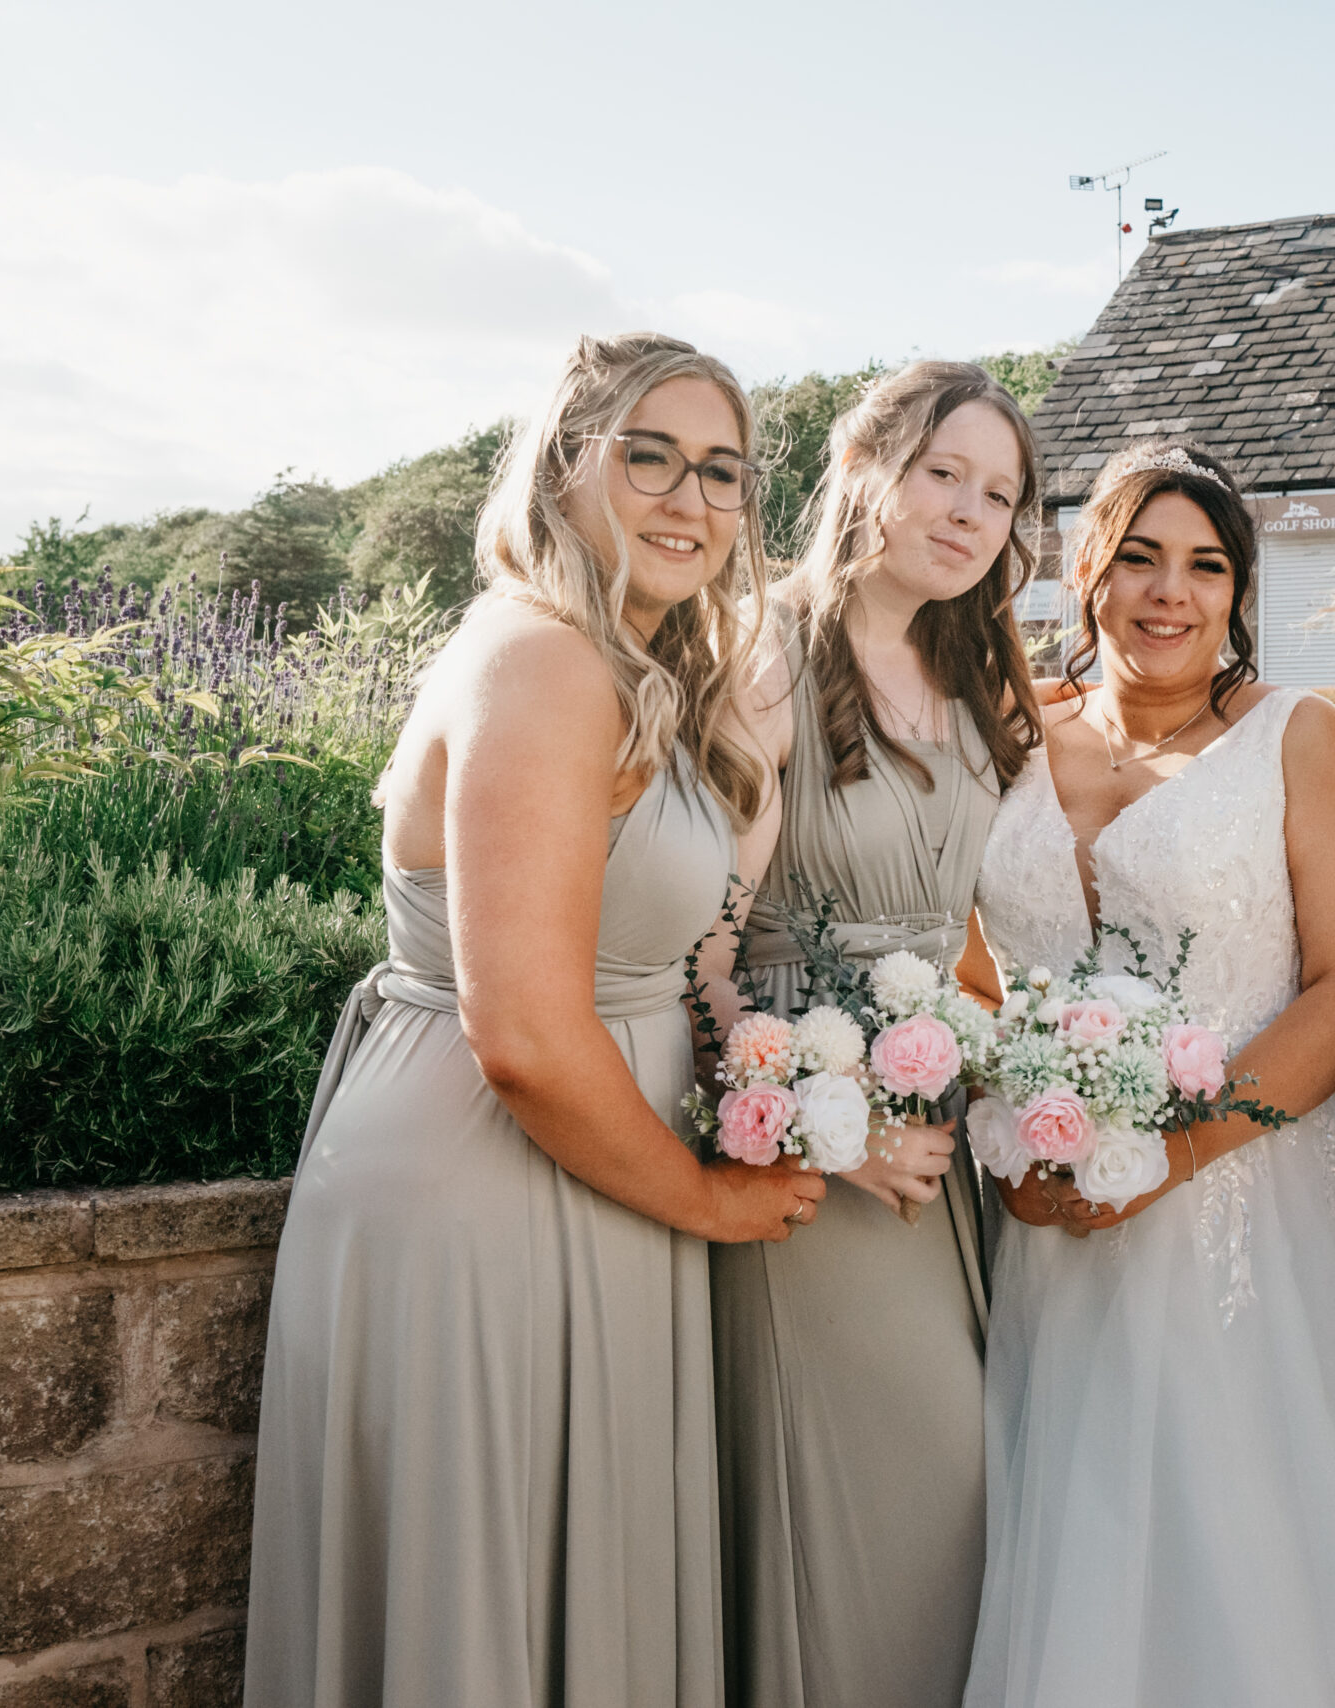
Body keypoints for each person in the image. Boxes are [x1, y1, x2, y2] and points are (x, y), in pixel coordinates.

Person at [245, 332, 826, 1708]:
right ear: (565, 468)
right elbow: (519, 1028)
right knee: (486, 1605)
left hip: (580, 1169)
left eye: (723, 472)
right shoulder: (547, 663)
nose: (690, 500)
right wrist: (707, 1198)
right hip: (495, 1182)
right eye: (649, 457)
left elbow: (690, 933)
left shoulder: (636, 666)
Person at [963, 440, 1335, 1706]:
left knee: (1266, 1534)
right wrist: (1017, 1125)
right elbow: (973, 962)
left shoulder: (1296, 737)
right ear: (1086, 569)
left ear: (1237, 594)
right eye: (1140, 558)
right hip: (1051, 1204)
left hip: (1262, 1193)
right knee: (1083, 1529)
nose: (1171, 593)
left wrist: (1174, 1155)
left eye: (1206, 567)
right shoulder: (1009, 735)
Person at [695, 360, 1047, 1708]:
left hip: (937, 1138)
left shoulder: (975, 672)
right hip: (811, 1145)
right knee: (908, 1493)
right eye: (942, 474)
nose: (967, 513)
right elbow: (701, 955)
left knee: (978, 1494)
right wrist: (822, 1130)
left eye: (998, 494)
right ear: (866, 471)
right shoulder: (765, 657)